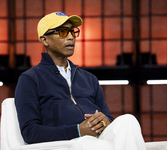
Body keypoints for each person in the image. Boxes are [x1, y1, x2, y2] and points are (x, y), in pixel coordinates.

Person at [15, 12, 147, 150]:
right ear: (44, 40)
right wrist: (78, 130)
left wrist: (105, 122)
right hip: (68, 143)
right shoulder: (30, 79)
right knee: (90, 144)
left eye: (73, 31)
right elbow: (30, 132)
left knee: (128, 120)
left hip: (100, 139)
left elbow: (109, 119)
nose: (71, 37)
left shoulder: (89, 78)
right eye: (63, 32)